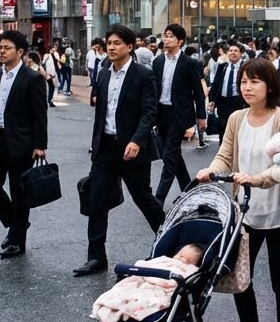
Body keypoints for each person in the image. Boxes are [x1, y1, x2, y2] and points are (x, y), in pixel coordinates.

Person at [194, 58, 280, 322]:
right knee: (240, 279)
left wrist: (256, 179)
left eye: (254, 82)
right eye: (243, 82)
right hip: (245, 214)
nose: (247, 87)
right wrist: (211, 171)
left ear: (270, 86)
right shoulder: (236, 118)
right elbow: (225, 155)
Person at [77, 25, 167, 277]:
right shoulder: (104, 73)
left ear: (130, 47)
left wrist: (137, 141)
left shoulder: (142, 74)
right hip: (106, 148)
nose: (112, 47)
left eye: (117, 43)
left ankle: (170, 243)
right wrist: (95, 145)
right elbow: (100, 112)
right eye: (109, 43)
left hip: (132, 150)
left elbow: (150, 112)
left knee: (144, 200)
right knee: (96, 202)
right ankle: (96, 257)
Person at [0, 30, 48, 259]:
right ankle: (16, 223)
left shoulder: (32, 78)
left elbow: (40, 113)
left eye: (6, 48)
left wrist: (40, 144)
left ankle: (17, 241)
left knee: (19, 193)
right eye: (0, 47)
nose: (1, 51)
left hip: (22, 142)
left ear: (20, 52)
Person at [153, 24, 207, 203]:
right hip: (161, 113)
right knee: (173, 155)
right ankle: (189, 192)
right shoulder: (158, 61)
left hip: (179, 115)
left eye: (170, 36)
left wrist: (201, 116)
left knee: (169, 156)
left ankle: (158, 199)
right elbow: (154, 89)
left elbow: (198, 92)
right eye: (164, 35)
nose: (166, 39)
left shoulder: (189, 63)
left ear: (180, 41)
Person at [208, 42, 247, 136]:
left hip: (238, 103)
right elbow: (216, 84)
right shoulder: (223, 67)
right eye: (231, 50)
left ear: (241, 54)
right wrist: (212, 99)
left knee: (237, 130)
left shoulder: (244, 68)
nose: (233, 53)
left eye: (236, 51)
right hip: (223, 102)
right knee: (223, 129)